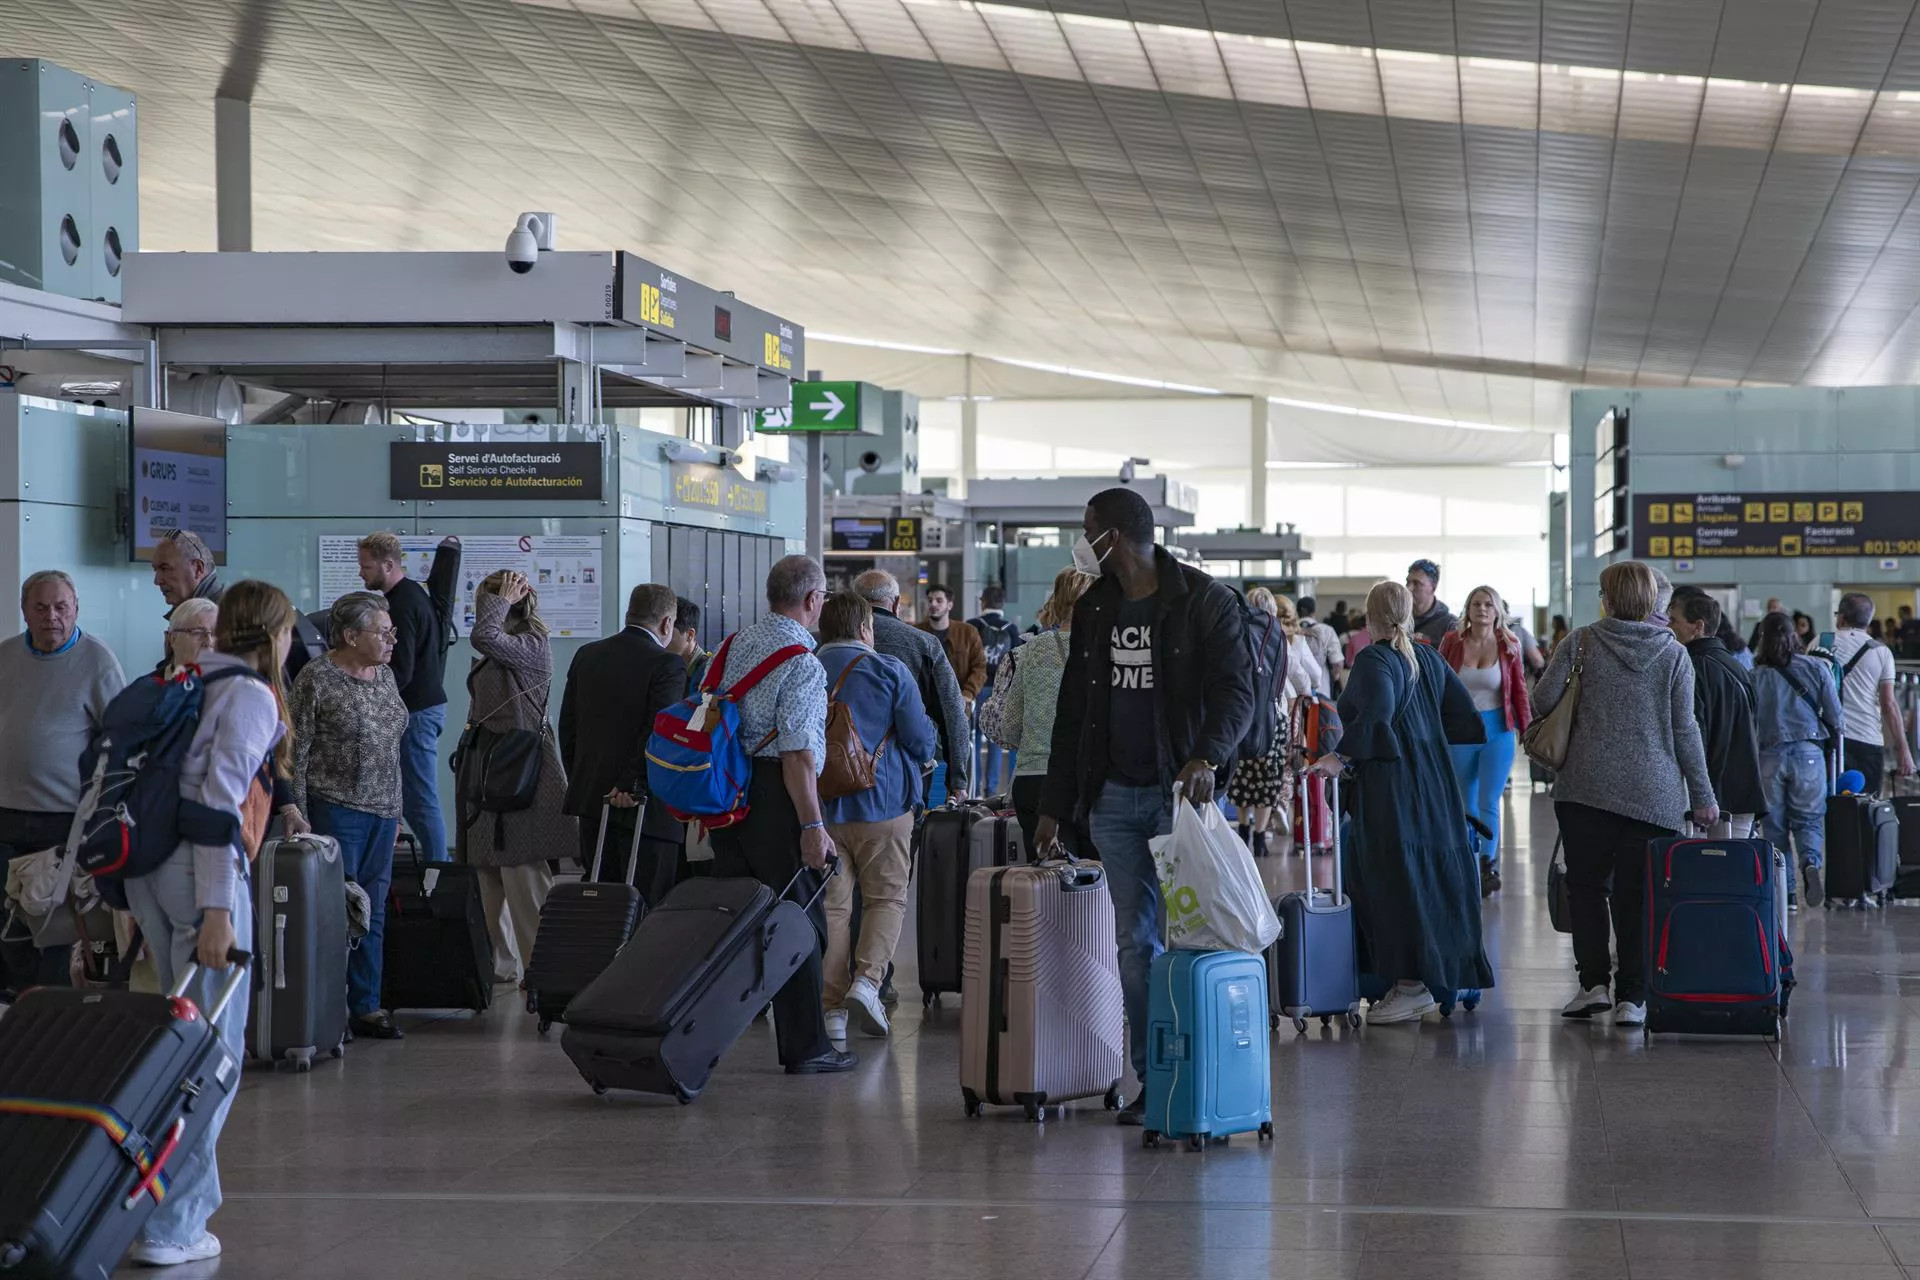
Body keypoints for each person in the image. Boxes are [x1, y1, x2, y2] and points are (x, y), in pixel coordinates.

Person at [1037, 487, 1253, 1125]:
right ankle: (1155, 1077)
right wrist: (1056, 804)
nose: (1082, 542)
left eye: (1088, 529)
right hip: (1112, 800)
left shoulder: (1202, 601)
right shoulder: (1098, 607)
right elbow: (1074, 712)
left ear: (1118, 535)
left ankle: (1204, 1075)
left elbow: (1235, 693)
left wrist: (1206, 757)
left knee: (1194, 937)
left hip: (1179, 801)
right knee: (1133, 946)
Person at [117, 580, 293, 1267]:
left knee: (179, 1046)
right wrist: (221, 912)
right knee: (210, 1058)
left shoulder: (186, 682)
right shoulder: (249, 695)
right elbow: (220, 803)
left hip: (150, 872)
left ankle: (157, 1207)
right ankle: (173, 1225)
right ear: (272, 633)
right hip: (202, 878)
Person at [1537, 561, 1718, 1028]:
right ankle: (1633, 998)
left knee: (1586, 888)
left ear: (1609, 598)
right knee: (1638, 895)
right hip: (1654, 795)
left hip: (1585, 788)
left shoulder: (1579, 642)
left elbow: (1542, 701)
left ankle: (1593, 984)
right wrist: (1702, 795)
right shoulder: (1674, 653)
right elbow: (1686, 731)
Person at [1309, 581, 1491, 1024]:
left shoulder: (1375, 658)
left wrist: (1339, 756)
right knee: (1431, 876)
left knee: (1390, 878)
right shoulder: (1427, 657)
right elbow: (1463, 714)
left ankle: (1409, 985)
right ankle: (1436, 975)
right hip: (1435, 783)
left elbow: (1377, 715)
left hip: (1394, 786)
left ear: (1368, 619)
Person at [708, 555, 856, 1075]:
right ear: (813, 600)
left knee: (738, 918)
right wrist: (813, 827)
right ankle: (807, 1046)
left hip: (726, 794)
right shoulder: (801, 660)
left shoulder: (734, 645)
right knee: (800, 922)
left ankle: (703, 1031)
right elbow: (797, 754)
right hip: (777, 796)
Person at [814, 592, 937, 1043]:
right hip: (883, 805)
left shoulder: (805, 667)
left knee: (833, 909)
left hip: (820, 812)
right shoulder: (888, 670)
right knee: (886, 899)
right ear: (866, 628)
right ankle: (867, 983)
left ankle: (831, 1012)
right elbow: (922, 741)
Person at [290, 590, 411, 1041]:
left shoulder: (385, 676)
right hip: (335, 808)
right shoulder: (316, 678)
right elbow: (296, 751)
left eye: (391, 632)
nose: (391, 640)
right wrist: (297, 811)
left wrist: (398, 810)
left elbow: (393, 745)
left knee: (374, 911)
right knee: (336, 911)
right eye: (383, 632)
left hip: (383, 811)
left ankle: (367, 1005)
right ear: (349, 635)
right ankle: (326, 1006)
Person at [0, 570, 127, 999]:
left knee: (54, 929)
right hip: (6, 815)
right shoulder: (6, 656)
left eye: (60, 607)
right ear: (24, 611)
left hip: (65, 822)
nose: (51, 616)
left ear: (76, 610)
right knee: (8, 928)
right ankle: (20, 1004)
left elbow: (120, 740)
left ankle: (51, 1018)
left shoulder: (97, 660)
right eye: (40, 607)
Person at [460, 570, 573, 989]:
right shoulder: (503, 648)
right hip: (492, 769)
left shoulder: (531, 646)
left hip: (523, 771)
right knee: (490, 872)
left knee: (524, 875)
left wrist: (499, 599)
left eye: (484, 603)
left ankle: (543, 969)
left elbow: (484, 636)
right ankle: (499, 964)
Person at [559, 584, 688, 905]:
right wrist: (631, 784)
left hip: (592, 802)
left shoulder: (587, 655)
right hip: (643, 809)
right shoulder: (667, 665)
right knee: (646, 911)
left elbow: (568, 727)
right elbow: (659, 731)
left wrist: (585, 780)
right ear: (667, 624)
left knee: (601, 908)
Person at [358, 532, 454, 864]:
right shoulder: (412, 595)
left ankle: (440, 872)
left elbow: (401, 669)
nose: (361, 573)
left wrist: (365, 700)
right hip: (422, 708)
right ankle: (438, 869)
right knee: (414, 797)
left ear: (388, 564)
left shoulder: (401, 604)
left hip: (416, 711)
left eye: (366, 566)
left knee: (420, 799)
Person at [1438, 586, 1531, 895]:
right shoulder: (1452, 643)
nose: (1482, 609)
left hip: (1498, 730)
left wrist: (1527, 728)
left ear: (1497, 611)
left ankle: (1487, 865)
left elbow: (1518, 689)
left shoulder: (1509, 645)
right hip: (1460, 732)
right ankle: (1468, 861)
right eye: (1476, 604)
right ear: (1467, 609)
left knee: (1489, 800)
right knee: (1466, 801)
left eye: (1488, 604)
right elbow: (1439, 685)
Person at [996, 567, 1096, 856]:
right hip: (1090, 782)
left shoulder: (1030, 651)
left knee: (1050, 889)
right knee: (1100, 887)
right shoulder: (1107, 652)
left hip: (1035, 781)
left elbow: (1009, 727)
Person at [1751, 610, 1844, 908]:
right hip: (1809, 755)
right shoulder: (1816, 667)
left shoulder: (1753, 676)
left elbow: (1749, 722)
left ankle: (1786, 893)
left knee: (1775, 828)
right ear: (1794, 635)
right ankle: (1811, 864)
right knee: (1808, 821)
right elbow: (1835, 717)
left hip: (1768, 756)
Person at [853, 570, 971, 801]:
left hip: (840, 769)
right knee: (908, 834)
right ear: (896, 603)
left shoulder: (827, 644)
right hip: (905, 773)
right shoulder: (924, 644)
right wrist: (957, 780)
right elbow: (953, 714)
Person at [1226, 590, 1320, 858]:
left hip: (1240, 717)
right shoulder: (1277, 638)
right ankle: (1260, 838)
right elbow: (1303, 680)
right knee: (1268, 778)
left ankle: (1243, 829)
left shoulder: (1235, 635)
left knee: (1241, 777)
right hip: (1273, 717)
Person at [1667, 588, 1765, 839]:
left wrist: (1699, 794)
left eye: (1674, 620)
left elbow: (1693, 733)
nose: (1669, 626)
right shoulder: (1737, 666)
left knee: (1700, 873)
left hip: (1710, 801)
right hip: (1743, 793)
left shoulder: (1693, 667)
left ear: (1697, 626)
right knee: (1734, 874)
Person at [1831, 592, 1914, 795]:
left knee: (1828, 809)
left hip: (1828, 738)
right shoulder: (1881, 652)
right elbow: (1888, 704)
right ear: (1868, 621)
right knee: (1867, 809)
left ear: (1840, 617)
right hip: (1866, 739)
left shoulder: (1820, 642)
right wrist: (1903, 749)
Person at [967, 584, 1024, 794]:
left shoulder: (972, 625)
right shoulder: (1011, 628)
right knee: (995, 740)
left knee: (971, 740)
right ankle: (990, 790)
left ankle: (971, 789)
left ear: (982, 602)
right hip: (1001, 693)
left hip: (974, 689)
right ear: (1002, 604)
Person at [918, 582, 988, 704]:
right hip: (925, 702)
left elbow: (980, 667)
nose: (933, 604)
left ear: (949, 605)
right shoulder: (917, 632)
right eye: (930, 600)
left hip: (959, 699)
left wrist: (968, 694)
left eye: (939, 600)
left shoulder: (968, 632)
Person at [1297, 596, 1343, 695]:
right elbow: (1337, 662)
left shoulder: (1290, 631)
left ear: (1298, 612)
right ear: (1314, 612)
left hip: (1295, 690)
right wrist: (1335, 676)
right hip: (1322, 690)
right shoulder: (1327, 630)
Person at [1406, 558, 1456, 645]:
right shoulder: (1398, 619)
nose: (1408, 588)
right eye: (1408, 582)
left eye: (1416, 583)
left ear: (1433, 587)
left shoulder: (1449, 625)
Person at [668, 596, 712, 690]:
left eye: (669, 635)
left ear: (690, 635)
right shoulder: (668, 664)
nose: (663, 641)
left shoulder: (706, 672)